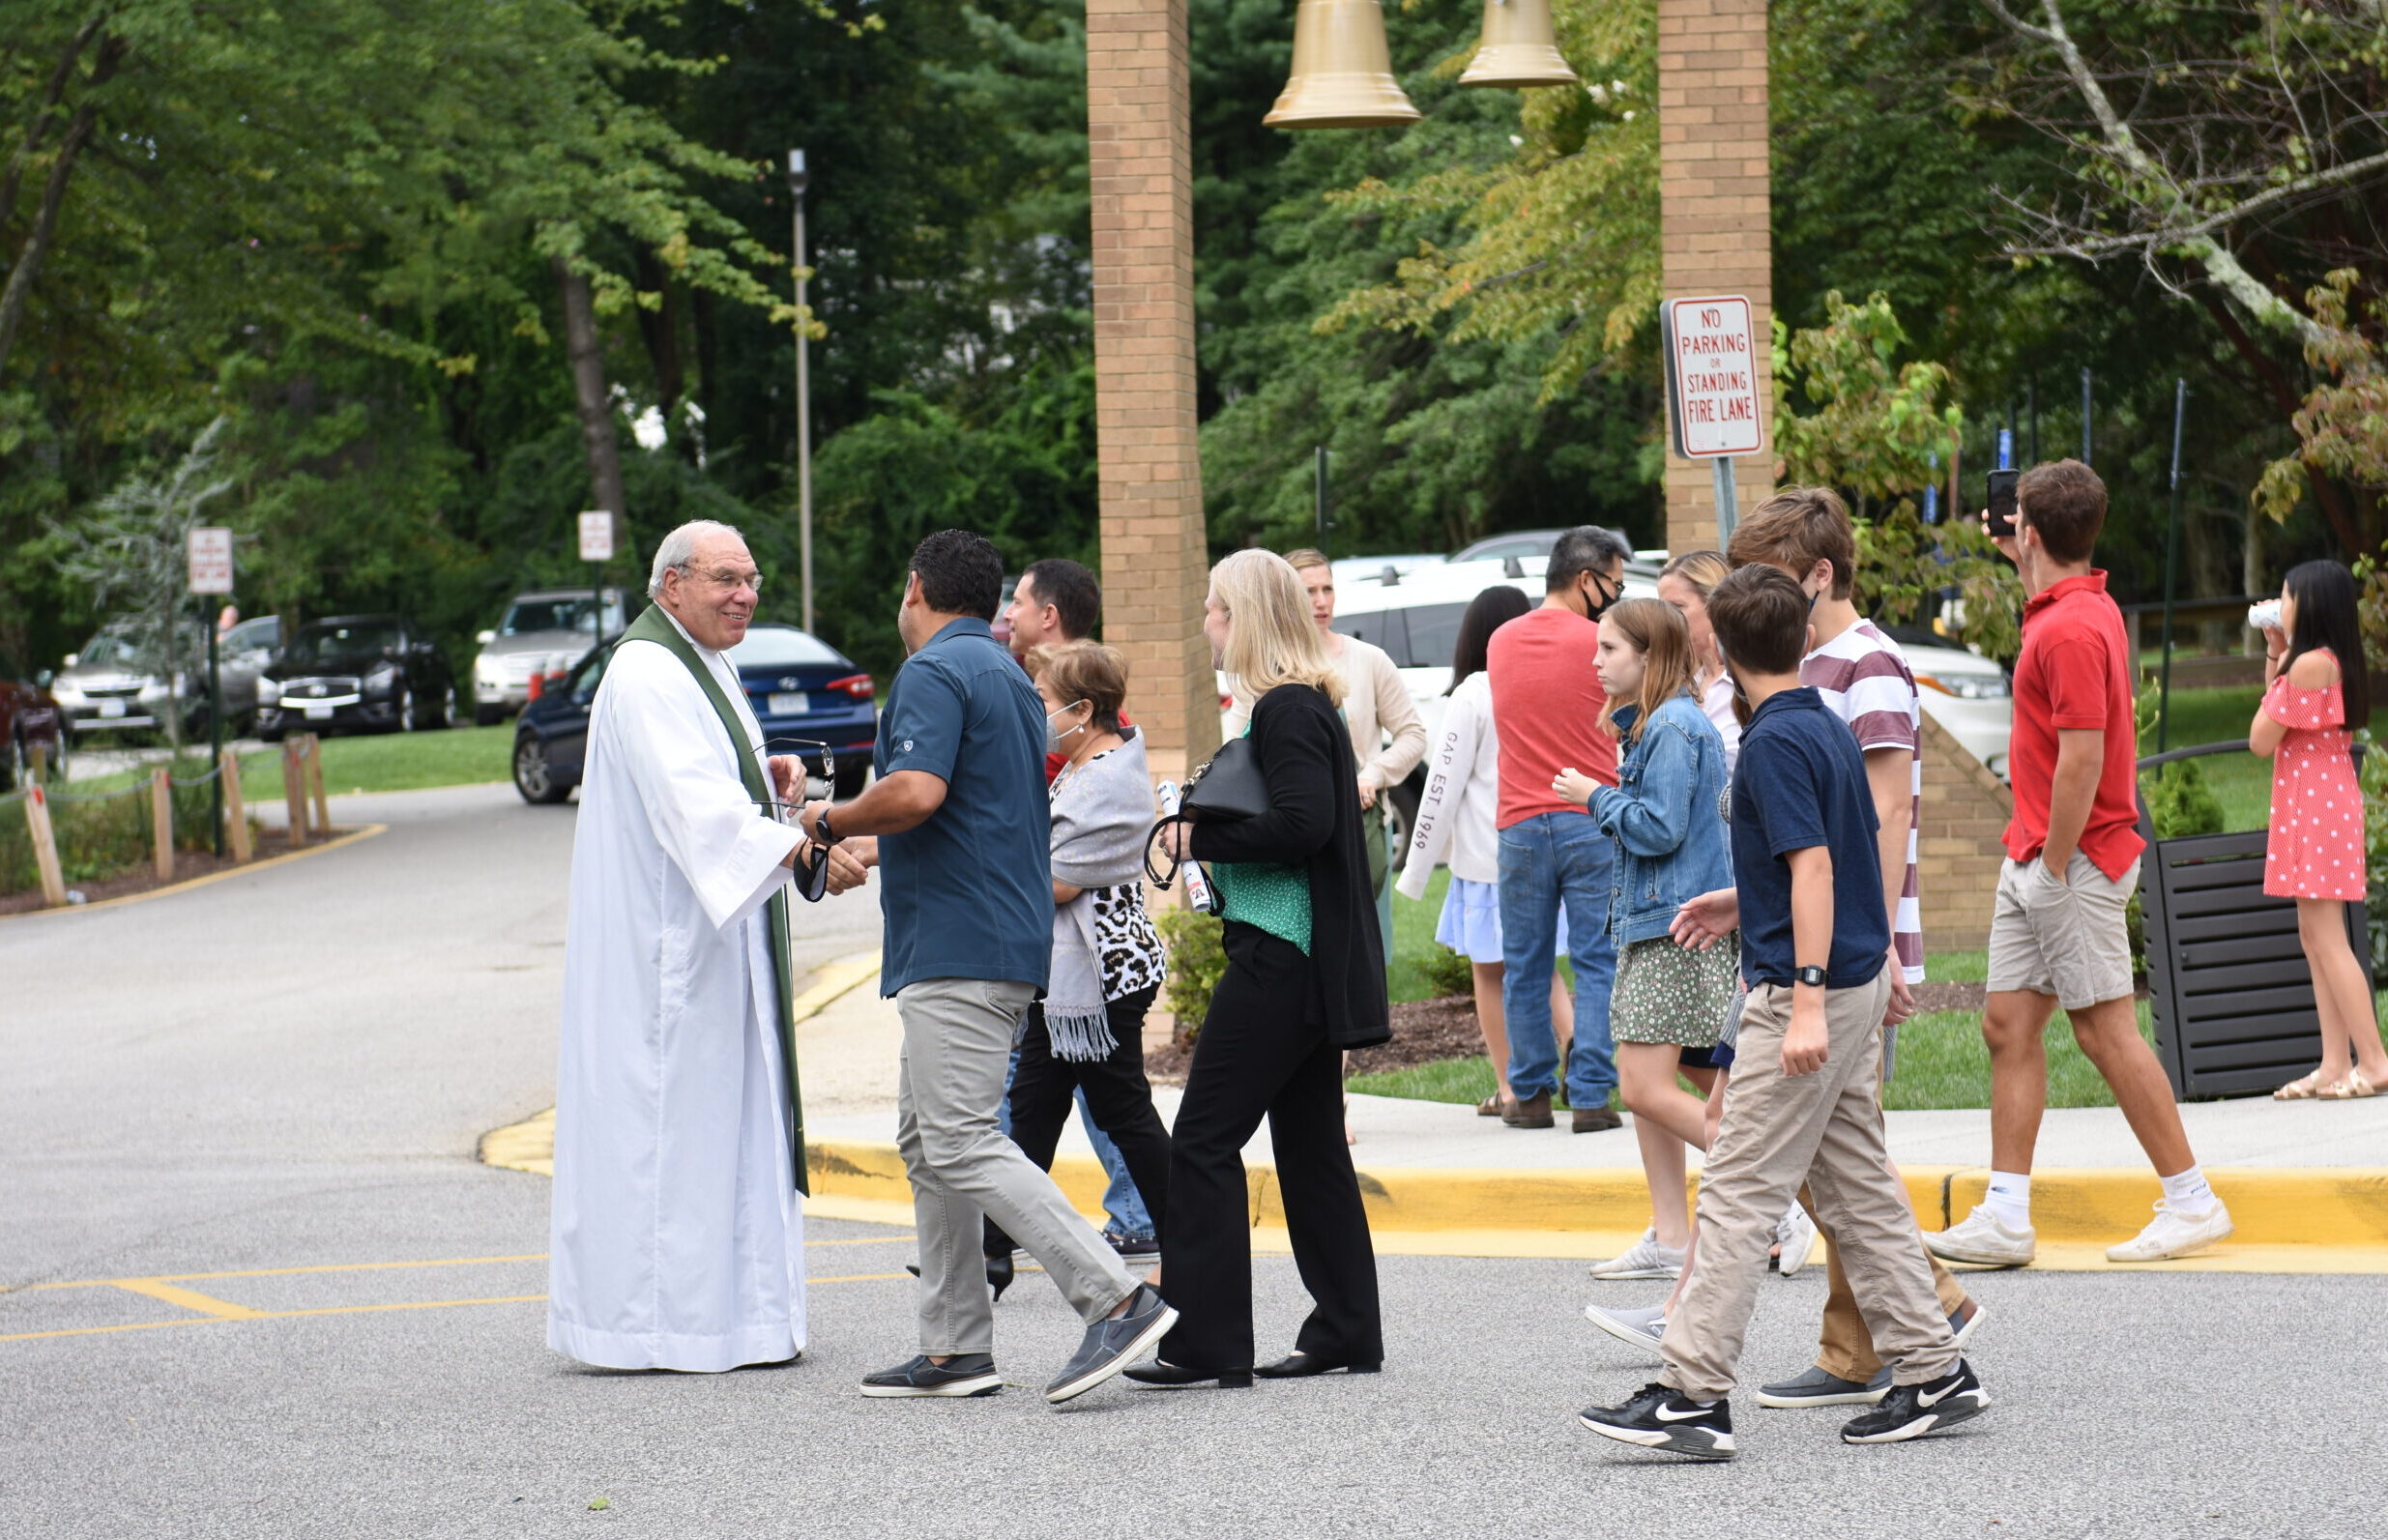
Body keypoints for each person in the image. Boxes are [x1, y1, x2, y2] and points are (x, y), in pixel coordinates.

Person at [1578, 566, 1990, 1461]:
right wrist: (1738, 898)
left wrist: (1802, 1000)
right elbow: (1825, 854)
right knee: (1857, 1188)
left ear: (1720, 651)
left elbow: (1813, 869)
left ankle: (1691, 1393)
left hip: (1809, 995)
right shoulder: (1818, 723)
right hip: (1849, 977)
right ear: (1803, 640)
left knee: (1734, 1191)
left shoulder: (1768, 744)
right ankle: (1934, 1367)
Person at [799, 530, 1174, 1403]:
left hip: (958, 943)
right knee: (929, 1139)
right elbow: (972, 810)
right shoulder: (1010, 673)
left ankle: (1115, 1295)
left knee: (960, 1137)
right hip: (996, 936)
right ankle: (955, 1345)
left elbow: (918, 791)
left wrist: (830, 821)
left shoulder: (934, 672)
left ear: (916, 585)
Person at [547, 519, 854, 1372]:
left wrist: (772, 777)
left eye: (751, 579)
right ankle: (659, 1325)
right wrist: (800, 847)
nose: (744, 595)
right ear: (671, 584)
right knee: (671, 1139)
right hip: (667, 961)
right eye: (725, 579)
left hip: (713, 944)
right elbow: (694, 806)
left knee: (722, 1130)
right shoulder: (648, 671)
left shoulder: (700, 658)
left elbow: (720, 782)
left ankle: (739, 1316)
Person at [1927, 459, 2235, 1266]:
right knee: (2007, 1024)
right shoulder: (2077, 603)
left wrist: (2056, 862)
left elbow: (2081, 760)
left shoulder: (2066, 627)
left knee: (2103, 1030)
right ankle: (2005, 1215)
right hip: (2038, 853)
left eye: (2017, 522)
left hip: (2072, 859)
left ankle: (2192, 1199)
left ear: (2031, 531)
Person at [1722, 487, 1980, 1409]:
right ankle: (1886, 1340)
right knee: (1841, 1157)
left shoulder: (1867, 664)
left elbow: (1885, 815)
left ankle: (1908, 1327)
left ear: (1819, 575)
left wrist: (1875, 954)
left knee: (1836, 1160)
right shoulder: (1805, 666)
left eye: (1771, 575)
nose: (1755, 592)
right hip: (1820, 937)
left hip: (1851, 949)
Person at [1127, 549, 1387, 1388]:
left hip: (1282, 952)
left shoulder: (1285, 711)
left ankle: (1207, 1341)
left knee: (1202, 1140)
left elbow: (1307, 823)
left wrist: (1199, 836)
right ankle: (1346, 1327)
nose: (1205, 624)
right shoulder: (1294, 709)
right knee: (1310, 1146)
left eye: (1213, 609)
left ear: (1243, 618)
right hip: (1297, 955)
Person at [980, 642, 1175, 1275]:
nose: (1038, 711)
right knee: (1035, 1108)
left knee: (1122, 1111)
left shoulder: (1108, 778)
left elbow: (1059, 879)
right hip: (1073, 977)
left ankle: (1194, 1232)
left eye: (1043, 701)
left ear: (1084, 709)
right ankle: (989, 1252)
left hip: (1104, 974)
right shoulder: (1086, 762)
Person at [1553, 599, 1733, 1284]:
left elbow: (1659, 828)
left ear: (1649, 656)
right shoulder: (1654, 727)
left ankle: (1760, 1180)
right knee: (1702, 1080)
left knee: (1642, 1083)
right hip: (1660, 924)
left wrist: (1592, 797)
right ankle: (1674, 1230)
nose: (1595, 661)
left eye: (1609, 649)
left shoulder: (1671, 728)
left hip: (1672, 928)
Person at [1396, 585, 1574, 1116]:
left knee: (1491, 975)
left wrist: (1417, 870)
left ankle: (1512, 1088)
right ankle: (1584, 1073)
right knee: (1543, 971)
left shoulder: (1474, 692)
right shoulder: (1545, 682)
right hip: (1547, 849)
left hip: (1485, 862)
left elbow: (1441, 785)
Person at [1487, 525, 1630, 1132]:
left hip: (1519, 821)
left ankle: (1530, 1095)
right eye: (1614, 587)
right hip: (1588, 815)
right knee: (1597, 961)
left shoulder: (1499, 640)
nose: (1617, 599)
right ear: (1586, 580)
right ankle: (1592, 1097)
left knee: (1525, 964)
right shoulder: (1603, 642)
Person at [1231, 548, 1427, 956]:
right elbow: (1238, 753)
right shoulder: (1263, 671)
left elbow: (1412, 734)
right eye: (1309, 591)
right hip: (1297, 833)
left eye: (1328, 589)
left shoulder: (1368, 660)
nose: (1321, 601)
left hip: (1363, 827)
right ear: (1285, 601)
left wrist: (1373, 774)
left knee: (1365, 954)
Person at [2254, 561, 2388, 1100]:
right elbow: (2277, 717)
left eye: (2287, 596)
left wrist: (2280, 658)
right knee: (2315, 937)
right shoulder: (2320, 659)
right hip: (2313, 798)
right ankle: (2334, 1063)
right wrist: (2274, 652)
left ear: (2309, 603)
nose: (2281, 603)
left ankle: (2374, 1061)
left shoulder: (2310, 663)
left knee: (2328, 940)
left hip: (2316, 805)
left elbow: (2261, 736)